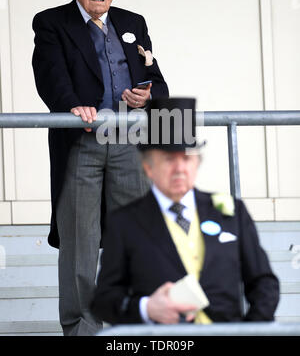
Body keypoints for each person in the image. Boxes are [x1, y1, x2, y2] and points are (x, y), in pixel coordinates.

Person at [32, 0, 169, 336]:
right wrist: (73, 105)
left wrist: (148, 96)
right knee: (81, 242)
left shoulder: (132, 22)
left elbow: (156, 79)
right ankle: (82, 329)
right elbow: (50, 73)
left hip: (129, 140)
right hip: (82, 144)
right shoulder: (52, 22)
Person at [91, 97, 280, 326]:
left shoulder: (231, 212)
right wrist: (147, 308)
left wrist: (250, 331)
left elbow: (263, 282)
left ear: (197, 163)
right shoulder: (125, 222)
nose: (180, 168)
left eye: (187, 158)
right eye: (169, 159)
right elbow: (103, 302)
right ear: (148, 167)